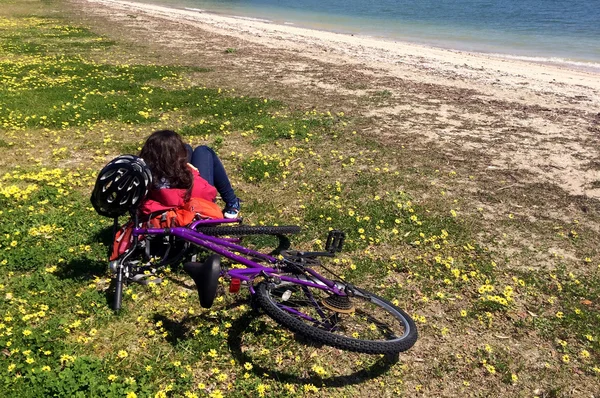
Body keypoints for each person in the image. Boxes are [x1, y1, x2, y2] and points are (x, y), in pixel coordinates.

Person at [138, 129, 241, 219]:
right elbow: (209, 193)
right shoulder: (189, 181)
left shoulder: (145, 182)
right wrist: (193, 173)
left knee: (187, 148)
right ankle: (232, 201)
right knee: (203, 151)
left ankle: (178, 152)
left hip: (164, 205)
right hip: (195, 209)